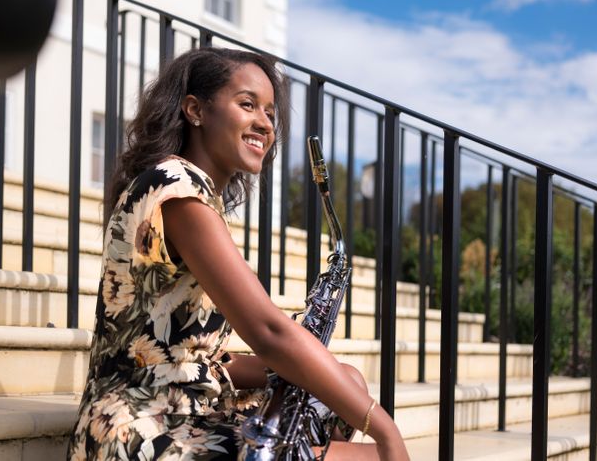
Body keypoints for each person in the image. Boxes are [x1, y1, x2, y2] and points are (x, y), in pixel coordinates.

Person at [67, 47, 409, 461]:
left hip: (180, 399)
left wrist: (294, 374)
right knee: (373, 456)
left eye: (270, 113)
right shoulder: (176, 187)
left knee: (345, 381)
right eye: (247, 104)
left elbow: (197, 352)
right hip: (139, 424)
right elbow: (268, 331)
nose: (264, 123)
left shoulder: (192, 193)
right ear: (196, 110)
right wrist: (387, 433)